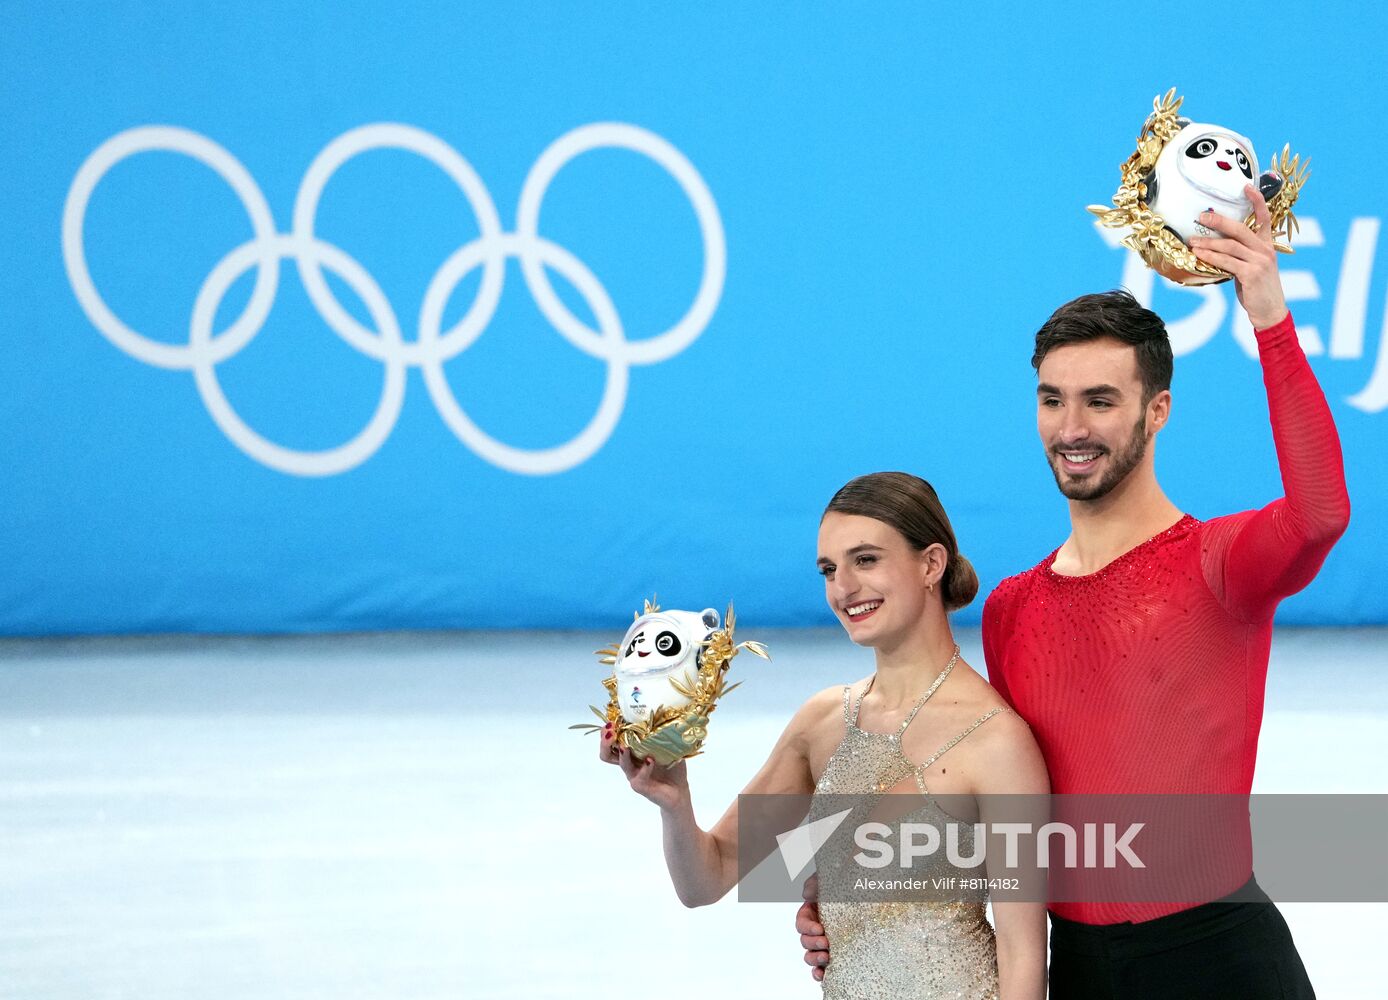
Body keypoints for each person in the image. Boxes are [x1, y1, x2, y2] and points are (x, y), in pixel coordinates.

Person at [797, 187, 1350, 997]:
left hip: (1221, 960)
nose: (1071, 427)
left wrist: (1268, 316)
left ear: (1157, 411)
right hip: (1080, 969)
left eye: (1101, 400)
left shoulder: (1217, 563)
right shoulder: (1013, 608)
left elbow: (1322, 512)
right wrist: (853, 905)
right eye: (1053, 400)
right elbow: (996, 817)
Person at [602, 471, 1049, 998]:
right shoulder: (824, 724)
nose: (843, 588)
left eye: (866, 560)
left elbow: (1023, 958)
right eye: (829, 569)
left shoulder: (996, 741)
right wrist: (674, 799)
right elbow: (707, 878)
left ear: (931, 563)